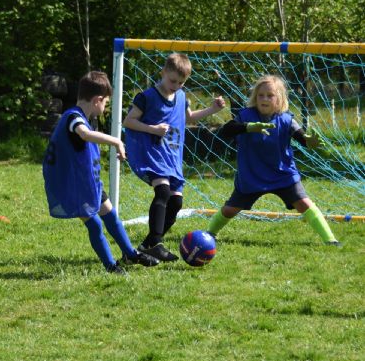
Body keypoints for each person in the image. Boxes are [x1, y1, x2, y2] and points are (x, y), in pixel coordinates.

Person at [43, 71, 159, 273]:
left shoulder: (84, 117)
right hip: (71, 184)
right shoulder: (73, 116)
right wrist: (115, 141)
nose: (105, 106)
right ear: (97, 100)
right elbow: (84, 134)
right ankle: (110, 266)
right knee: (95, 225)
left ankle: (131, 255)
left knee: (111, 215)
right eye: (106, 102)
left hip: (87, 180)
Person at [207, 74, 341, 246]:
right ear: (255, 97)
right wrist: (248, 127)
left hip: (282, 173)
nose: (264, 99)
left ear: (279, 99)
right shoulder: (245, 115)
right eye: (261, 95)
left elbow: (302, 138)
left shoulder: (286, 120)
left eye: (270, 95)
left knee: (303, 203)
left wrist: (310, 142)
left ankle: (330, 240)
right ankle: (209, 233)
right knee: (230, 209)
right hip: (252, 174)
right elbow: (226, 131)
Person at [122, 53, 226, 261]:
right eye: (172, 81)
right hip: (153, 153)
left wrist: (212, 109)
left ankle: (148, 244)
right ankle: (157, 242)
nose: (176, 85)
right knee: (162, 192)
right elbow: (129, 121)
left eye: (181, 82)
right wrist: (153, 129)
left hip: (172, 156)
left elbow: (188, 118)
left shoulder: (181, 97)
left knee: (176, 203)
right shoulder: (147, 97)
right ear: (163, 73)